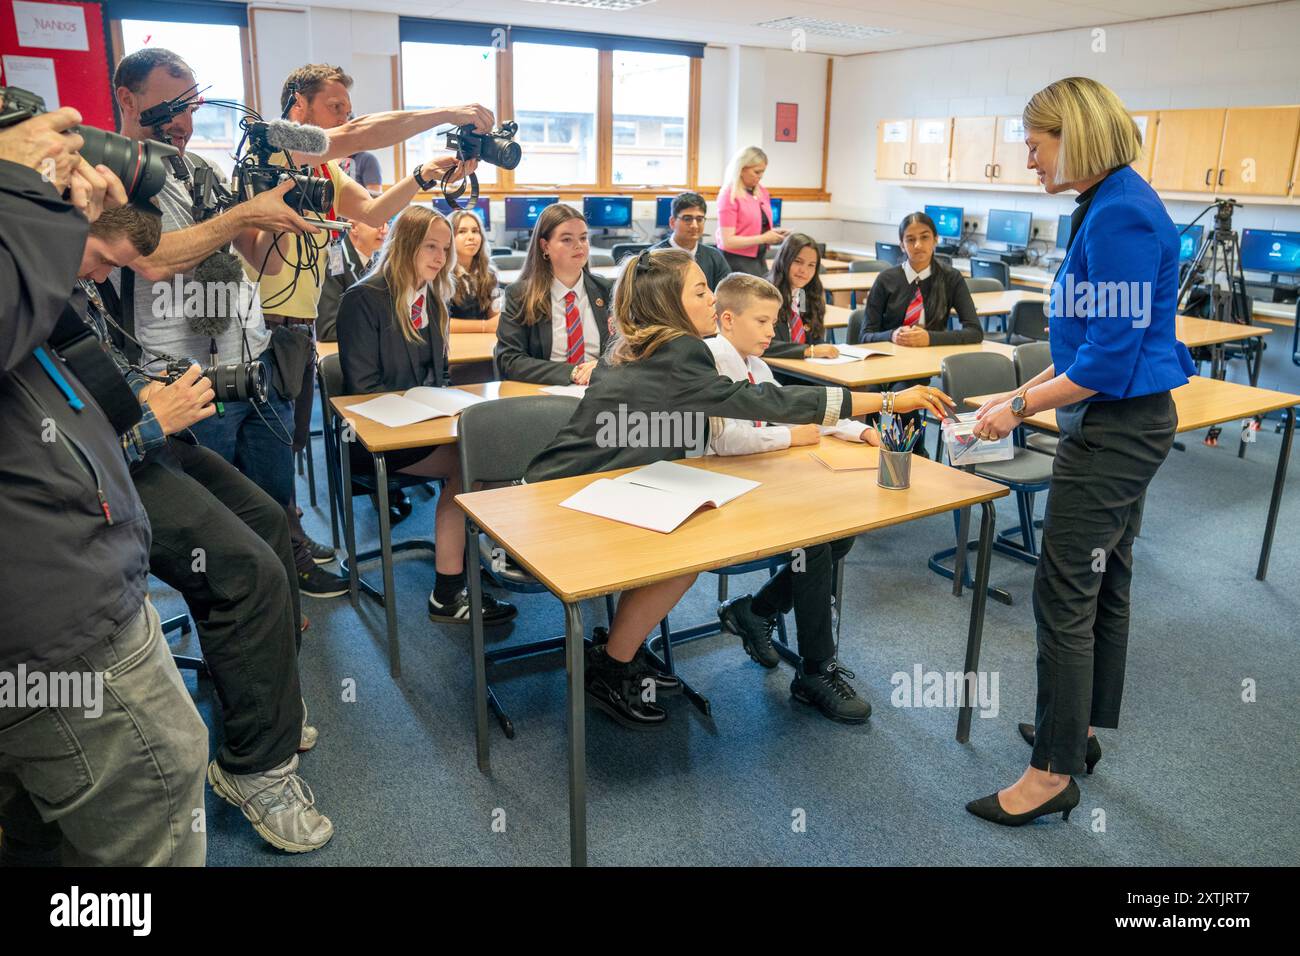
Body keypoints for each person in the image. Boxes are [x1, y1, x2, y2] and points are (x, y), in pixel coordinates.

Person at [525, 249, 955, 728]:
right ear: (669, 302)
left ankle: (618, 652)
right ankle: (610, 667)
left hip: (589, 484)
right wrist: (888, 398)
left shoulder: (647, 344)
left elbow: (763, 399)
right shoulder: (678, 353)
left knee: (692, 546)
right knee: (683, 553)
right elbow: (766, 400)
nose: (712, 296)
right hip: (565, 499)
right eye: (700, 290)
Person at [965, 77, 1195, 826]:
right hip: (1121, 419)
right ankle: (1080, 733)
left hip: (1116, 429)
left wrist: (1018, 408)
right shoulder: (1108, 201)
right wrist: (1011, 398)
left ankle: (1049, 773)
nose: (1029, 160)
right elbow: (1090, 347)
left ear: (1078, 135)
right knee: (1103, 581)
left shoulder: (1122, 214)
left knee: (1064, 594)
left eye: (1037, 145)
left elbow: (1104, 358)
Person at [78, 205, 333, 854]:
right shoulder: (24, 297)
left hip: (140, 439)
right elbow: (40, 449)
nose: (113, 270)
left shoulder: (73, 289)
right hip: (101, 472)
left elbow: (111, 365)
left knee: (270, 524)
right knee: (242, 572)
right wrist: (146, 420)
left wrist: (160, 391)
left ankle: (269, 706)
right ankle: (253, 771)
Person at [0, 113, 208, 866]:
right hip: (57, 622)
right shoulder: (27, 231)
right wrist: (26, 192)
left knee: (44, 826)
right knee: (154, 799)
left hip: (69, 579)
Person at [106, 48, 351, 600]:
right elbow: (152, 257)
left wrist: (286, 215)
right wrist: (242, 214)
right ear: (127, 98)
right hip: (185, 383)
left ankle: (281, 617)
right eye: (171, 107)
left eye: (190, 108)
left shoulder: (206, 170)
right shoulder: (114, 171)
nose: (184, 123)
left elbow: (268, 258)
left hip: (255, 366)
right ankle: (238, 633)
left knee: (271, 508)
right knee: (216, 537)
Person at [258, 63, 484, 597]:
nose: (346, 117)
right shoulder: (275, 145)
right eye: (335, 106)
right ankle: (281, 559)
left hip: (299, 324)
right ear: (298, 107)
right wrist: (448, 114)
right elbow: (360, 136)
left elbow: (377, 209)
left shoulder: (326, 174)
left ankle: (287, 542)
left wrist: (424, 177)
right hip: (262, 327)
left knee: (285, 447)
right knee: (267, 454)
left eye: (346, 108)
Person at [705, 273, 877, 722]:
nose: (772, 332)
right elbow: (726, 441)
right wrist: (791, 438)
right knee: (816, 540)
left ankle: (755, 609)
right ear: (727, 319)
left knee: (842, 536)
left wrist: (857, 429)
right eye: (762, 321)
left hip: (759, 483)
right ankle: (815, 671)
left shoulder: (756, 367)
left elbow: (799, 412)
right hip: (713, 494)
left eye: (774, 321)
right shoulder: (709, 362)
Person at [336, 205, 517, 626]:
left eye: (445, 248)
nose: (440, 257)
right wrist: (428, 410)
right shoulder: (363, 299)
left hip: (427, 428)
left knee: (497, 453)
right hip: (376, 437)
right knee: (475, 464)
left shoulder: (434, 298)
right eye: (429, 247)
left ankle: (478, 563)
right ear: (404, 246)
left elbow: (440, 376)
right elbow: (364, 392)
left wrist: (441, 408)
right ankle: (449, 592)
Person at [858, 211, 983, 453]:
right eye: (910, 239)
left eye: (925, 237)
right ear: (901, 244)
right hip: (883, 364)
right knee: (870, 397)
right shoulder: (886, 279)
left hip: (920, 366)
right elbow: (865, 335)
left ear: (935, 239)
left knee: (904, 395)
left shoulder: (950, 277)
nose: (918, 245)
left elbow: (974, 331)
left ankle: (914, 455)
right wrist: (891, 335)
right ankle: (872, 455)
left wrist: (930, 338)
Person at [496, 203, 613, 386]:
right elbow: (509, 361)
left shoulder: (608, 291)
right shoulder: (519, 295)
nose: (578, 246)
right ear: (545, 246)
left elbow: (629, 349)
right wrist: (572, 372)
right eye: (567, 239)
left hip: (600, 389)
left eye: (583, 238)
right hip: (545, 393)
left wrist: (602, 365)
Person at [764, 232, 839, 359]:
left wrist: (825, 349)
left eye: (811, 265)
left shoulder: (805, 295)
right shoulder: (764, 295)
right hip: (773, 371)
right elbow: (761, 345)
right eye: (798, 262)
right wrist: (807, 351)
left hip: (805, 369)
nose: (804, 270)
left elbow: (814, 339)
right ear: (784, 260)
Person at [714, 146, 788, 276]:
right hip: (736, 261)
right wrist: (763, 238)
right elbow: (728, 241)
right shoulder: (728, 196)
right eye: (757, 172)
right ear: (742, 169)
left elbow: (758, 227)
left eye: (763, 172)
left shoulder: (762, 192)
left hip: (759, 258)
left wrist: (772, 234)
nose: (760, 177)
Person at [316, 216, 387, 342]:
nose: (384, 230)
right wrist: (379, 331)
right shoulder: (335, 257)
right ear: (353, 227)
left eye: (386, 223)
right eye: (376, 223)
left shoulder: (383, 263)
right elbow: (327, 329)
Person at [649, 191, 730, 290]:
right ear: (672, 222)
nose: (694, 225)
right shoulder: (654, 257)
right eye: (687, 219)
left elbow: (725, 294)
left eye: (699, 219)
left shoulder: (714, 257)